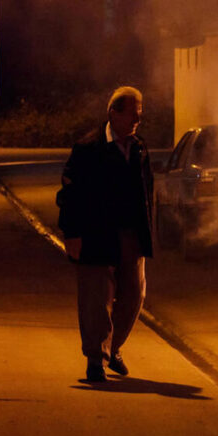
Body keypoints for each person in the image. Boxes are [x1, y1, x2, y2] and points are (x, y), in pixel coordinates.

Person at [56, 86, 153, 382]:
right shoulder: (88, 148)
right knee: (96, 299)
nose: (137, 121)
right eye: (132, 116)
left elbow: (147, 192)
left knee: (134, 295)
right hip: (95, 233)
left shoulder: (138, 147)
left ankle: (114, 347)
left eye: (140, 116)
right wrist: (72, 234)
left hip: (130, 235)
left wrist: (149, 231)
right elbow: (69, 194)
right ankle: (96, 359)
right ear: (113, 112)